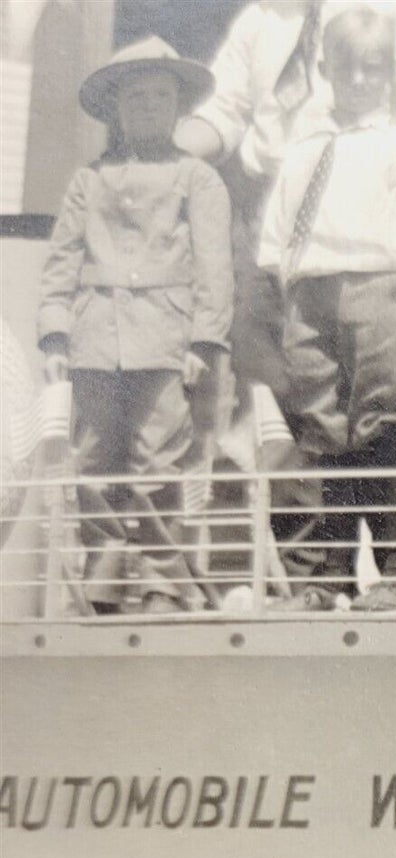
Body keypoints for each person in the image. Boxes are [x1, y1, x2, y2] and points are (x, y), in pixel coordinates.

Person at [256, 3, 396, 610]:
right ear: (326, 68)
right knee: (316, 435)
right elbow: (276, 235)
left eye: (375, 69)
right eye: (349, 68)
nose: (362, 81)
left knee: (392, 425)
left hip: (380, 295)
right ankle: (321, 577)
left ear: (391, 71)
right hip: (312, 302)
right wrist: (295, 290)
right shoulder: (305, 149)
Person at [36, 37, 233, 614]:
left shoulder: (198, 179)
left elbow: (214, 268)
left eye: (160, 95)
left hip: (164, 342)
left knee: (156, 464)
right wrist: (54, 334)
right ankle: (102, 577)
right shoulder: (87, 180)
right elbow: (61, 263)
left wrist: (204, 339)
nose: (147, 106)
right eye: (135, 96)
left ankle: (163, 583)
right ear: (116, 108)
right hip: (94, 340)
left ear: (178, 107)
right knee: (94, 464)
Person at [174, 0, 396, 394]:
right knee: (273, 379)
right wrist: (156, 156)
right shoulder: (262, 18)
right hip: (274, 215)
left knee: (386, 382)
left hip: (368, 211)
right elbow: (224, 110)